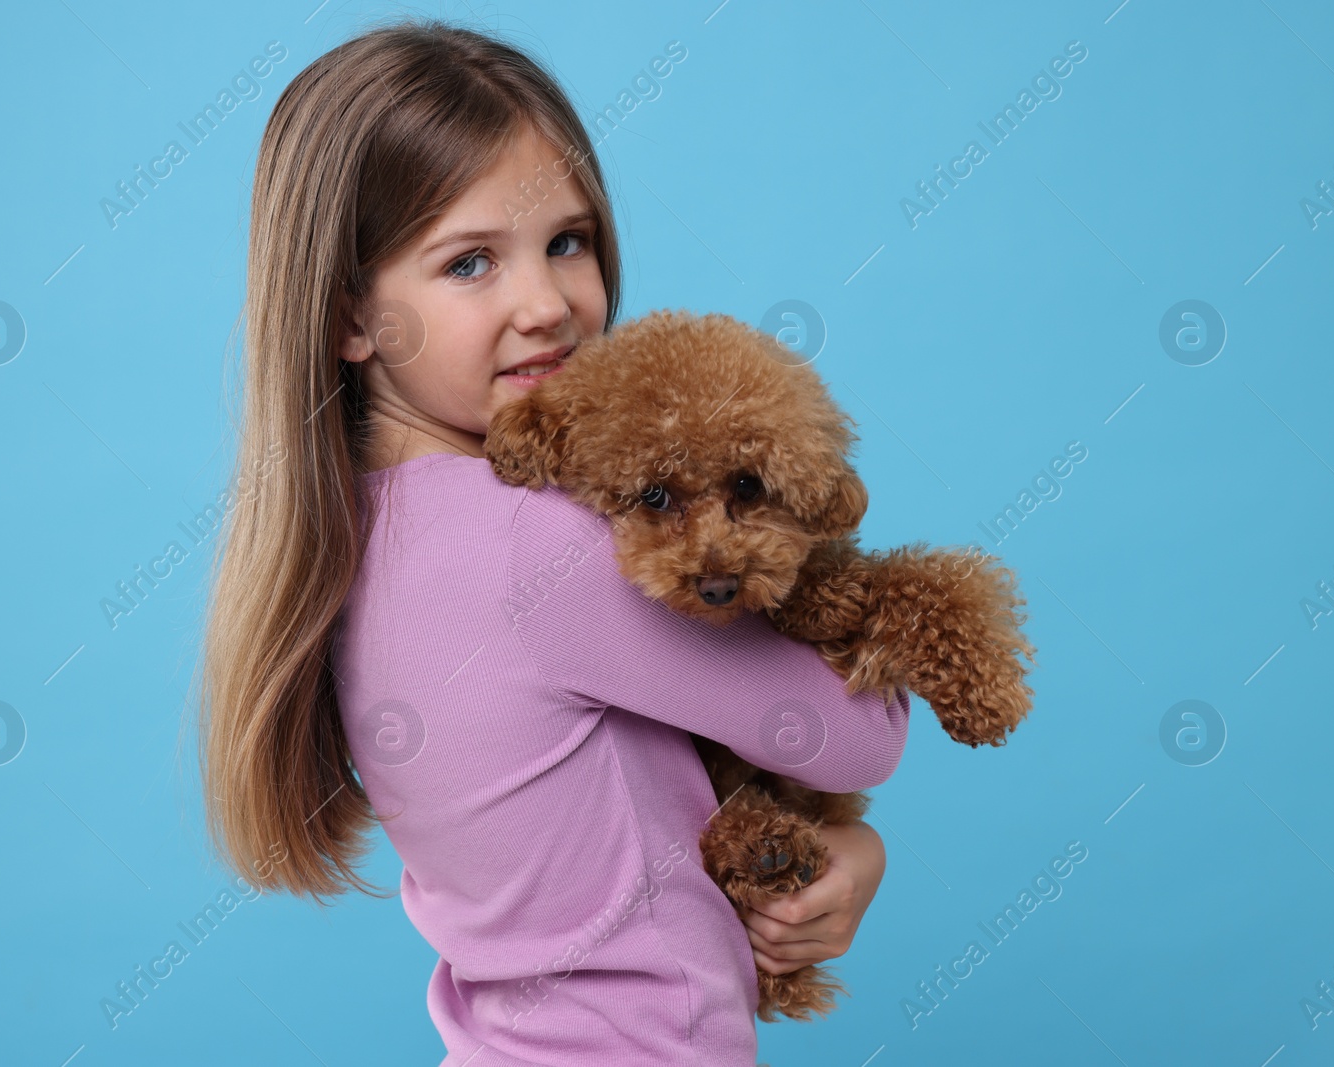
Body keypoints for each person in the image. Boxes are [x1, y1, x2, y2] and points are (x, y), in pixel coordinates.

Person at [196, 17, 908, 1065]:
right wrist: (865, 841)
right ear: (353, 315)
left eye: (566, 241)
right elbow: (854, 736)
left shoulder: (364, 527)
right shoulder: (540, 546)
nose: (545, 303)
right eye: (471, 261)